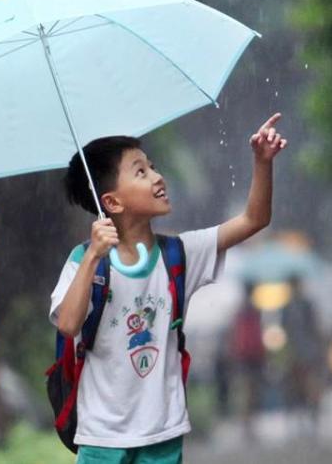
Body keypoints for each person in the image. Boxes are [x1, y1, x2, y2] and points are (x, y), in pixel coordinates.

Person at [50, 113, 287, 463]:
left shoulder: (180, 254)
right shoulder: (85, 261)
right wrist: (92, 258)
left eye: (153, 167)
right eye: (141, 172)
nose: (158, 178)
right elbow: (69, 324)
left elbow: (254, 219)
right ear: (112, 202)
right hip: (101, 440)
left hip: (164, 435)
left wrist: (262, 162)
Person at [280, 275, 324, 435]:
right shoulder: (287, 308)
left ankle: (312, 418)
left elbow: (315, 329)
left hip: (307, 353)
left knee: (310, 387)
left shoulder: (306, 306)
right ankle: (302, 419)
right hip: (296, 354)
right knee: (297, 388)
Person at [227, 282, 266, 439]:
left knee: (245, 391)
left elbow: (234, 336)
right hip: (254, 356)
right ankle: (249, 424)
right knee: (252, 391)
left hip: (242, 357)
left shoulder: (239, 311)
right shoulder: (255, 311)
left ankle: (246, 424)